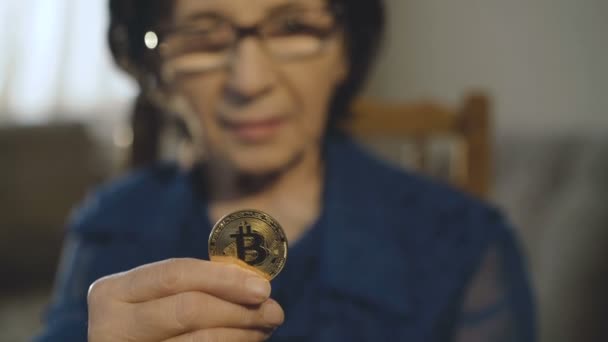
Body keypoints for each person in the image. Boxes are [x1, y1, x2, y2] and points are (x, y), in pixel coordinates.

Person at [36, 0, 535, 341]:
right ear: (158, 74)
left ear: (347, 50)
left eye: (294, 27)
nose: (250, 82)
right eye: (202, 37)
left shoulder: (464, 242)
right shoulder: (107, 224)